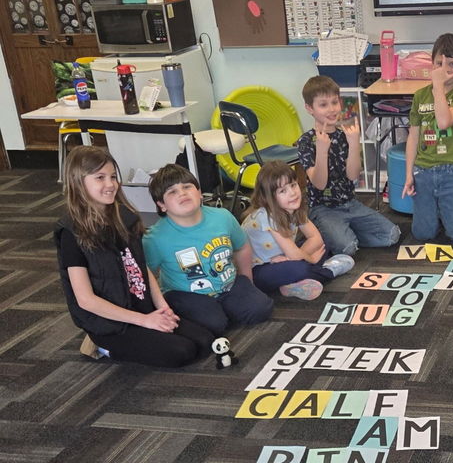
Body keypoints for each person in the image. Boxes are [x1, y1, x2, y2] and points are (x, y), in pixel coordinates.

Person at [54, 147, 218, 368]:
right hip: (109, 323)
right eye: (100, 178)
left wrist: (161, 307)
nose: (110, 184)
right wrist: (145, 321)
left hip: (140, 307)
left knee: (205, 341)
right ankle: (101, 346)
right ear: (78, 182)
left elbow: (139, 267)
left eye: (113, 176)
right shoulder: (71, 233)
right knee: (182, 352)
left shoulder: (123, 216)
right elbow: (85, 300)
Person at [144, 163, 273, 334]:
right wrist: (159, 307)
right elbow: (146, 274)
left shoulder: (223, 217)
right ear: (162, 205)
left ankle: (224, 312)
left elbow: (242, 247)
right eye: (172, 192)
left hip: (228, 285)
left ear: (199, 193)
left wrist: (247, 281)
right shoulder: (155, 238)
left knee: (261, 308)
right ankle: (220, 315)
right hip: (186, 294)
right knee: (213, 323)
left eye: (187, 187)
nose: (182, 193)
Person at [296, 75, 401, 256]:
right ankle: (331, 235)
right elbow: (319, 184)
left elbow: (353, 175)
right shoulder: (305, 141)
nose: (331, 109)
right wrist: (322, 151)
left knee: (392, 235)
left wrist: (354, 144)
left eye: (334, 102)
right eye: (323, 105)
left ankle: (343, 234)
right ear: (309, 108)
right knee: (347, 248)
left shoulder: (345, 134)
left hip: (350, 203)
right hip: (322, 208)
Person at [401, 33, 453, 244]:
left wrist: (438, 86)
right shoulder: (421, 96)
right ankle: (443, 213)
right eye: (439, 63)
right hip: (424, 170)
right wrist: (409, 174)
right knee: (423, 234)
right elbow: (413, 136)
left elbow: (443, 122)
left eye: (452, 63)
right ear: (432, 64)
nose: (445, 69)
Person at [242, 161, 355, 301]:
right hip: (259, 270)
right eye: (283, 191)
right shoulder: (267, 215)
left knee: (324, 242)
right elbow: (296, 254)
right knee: (301, 268)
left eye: (293, 185)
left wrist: (290, 258)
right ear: (269, 198)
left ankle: (292, 284)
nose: (292, 193)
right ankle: (328, 271)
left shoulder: (293, 208)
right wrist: (310, 259)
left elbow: (316, 238)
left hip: (284, 257)